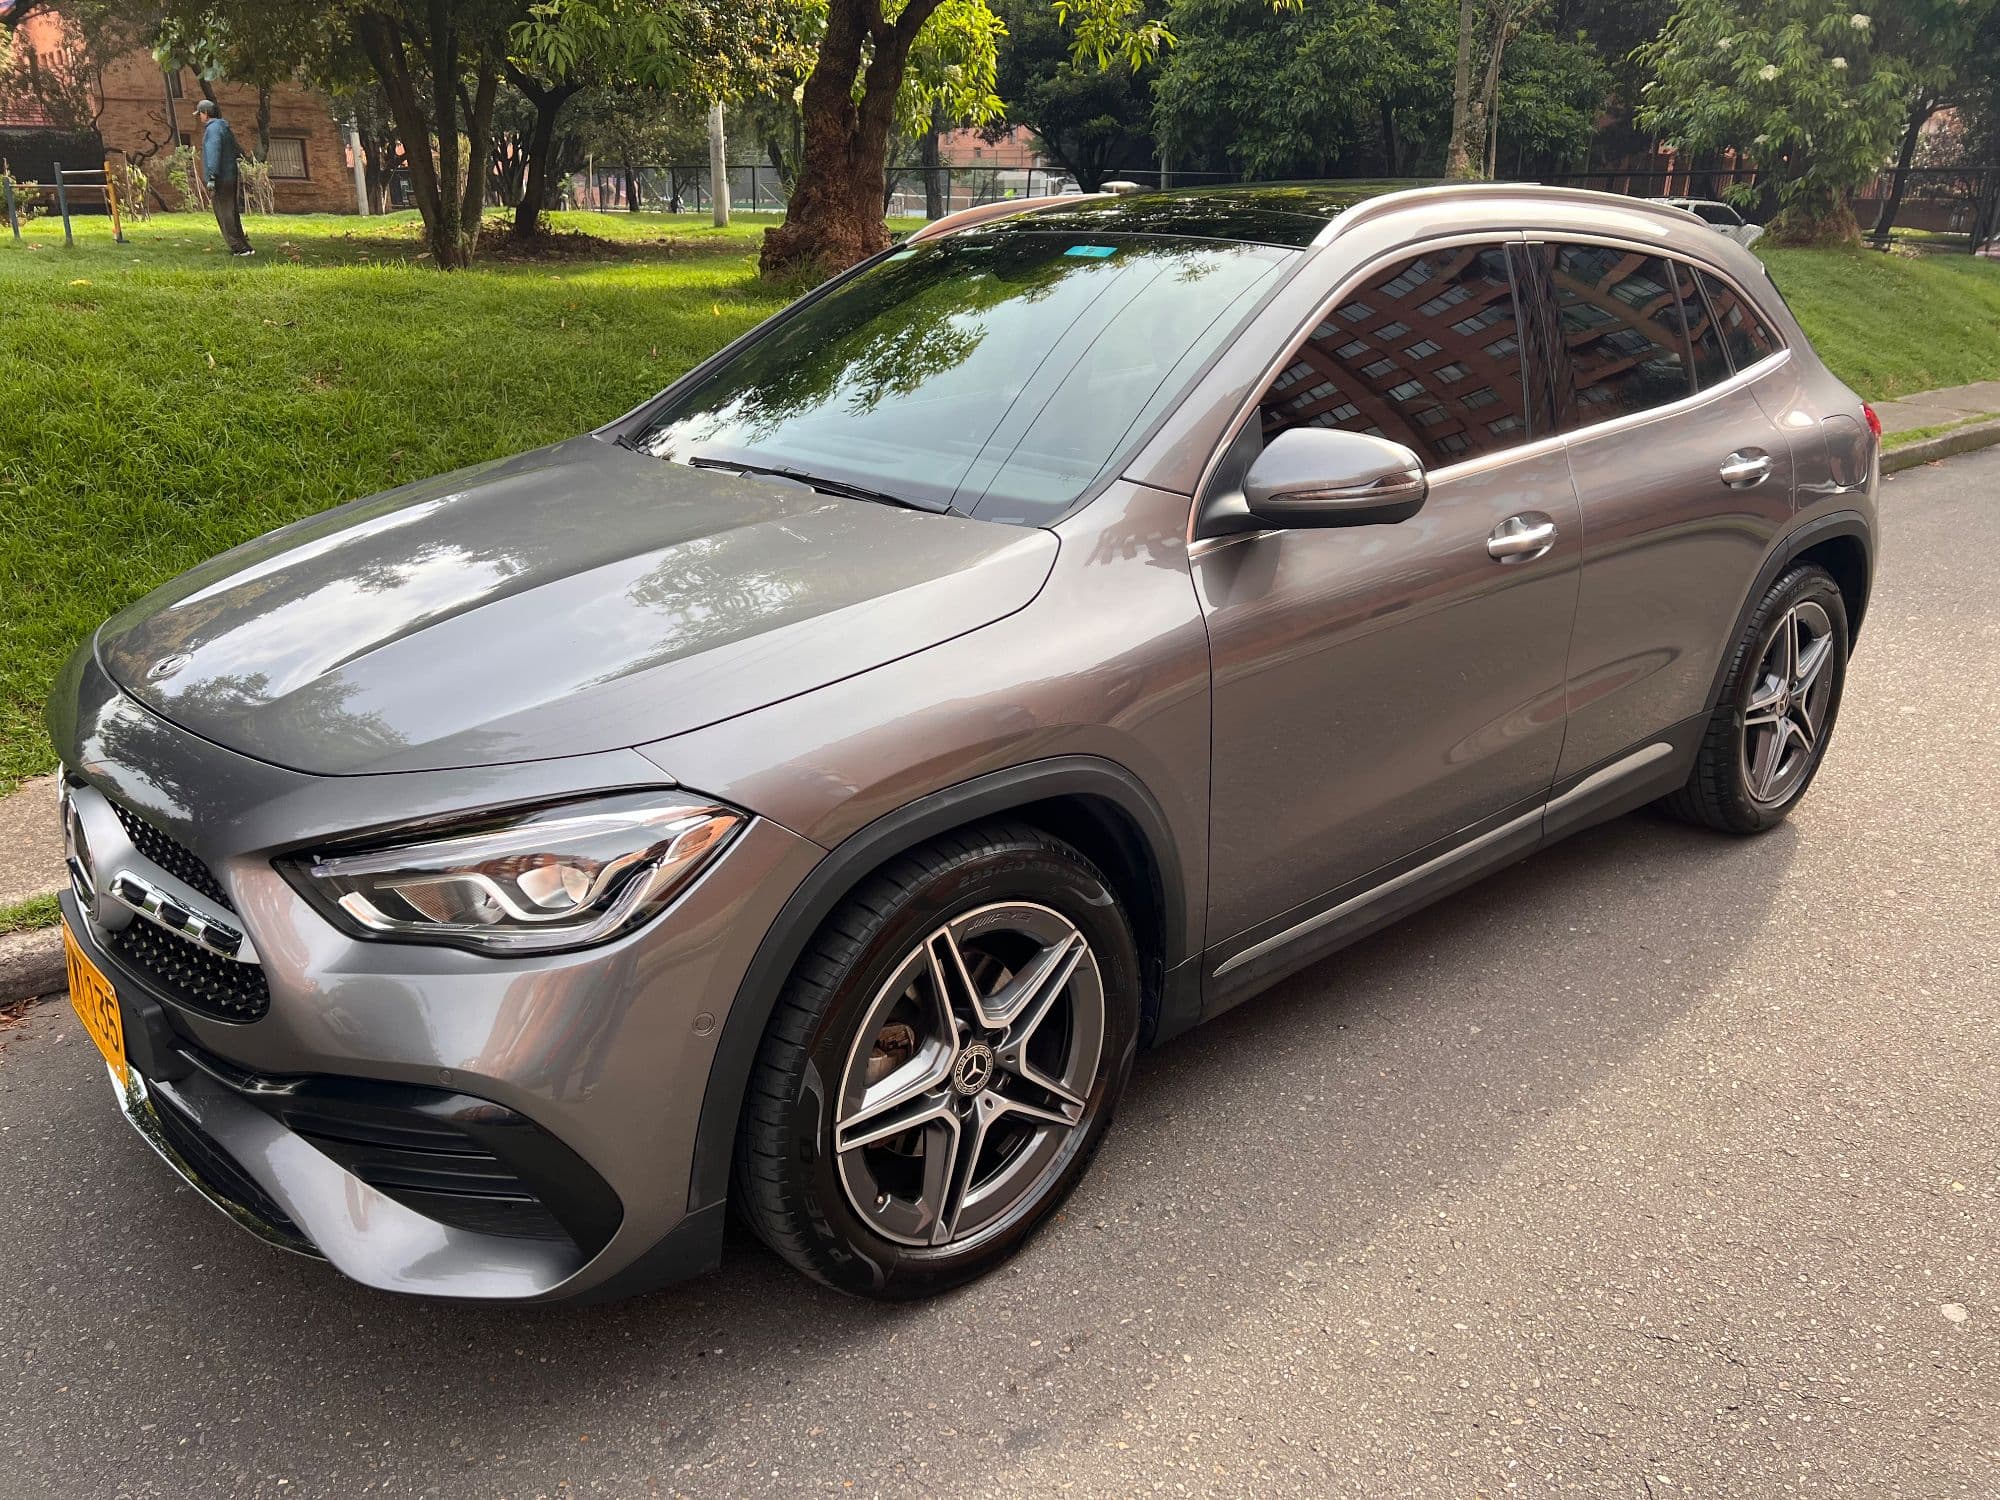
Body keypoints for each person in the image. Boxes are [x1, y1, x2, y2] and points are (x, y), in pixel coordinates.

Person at [195, 98, 253, 257]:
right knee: (232, 211)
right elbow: (237, 150)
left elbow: (213, 152)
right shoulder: (224, 127)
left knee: (223, 212)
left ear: (206, 113)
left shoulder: (212, 130)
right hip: (230, 175)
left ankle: (238, 247)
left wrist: (212, 177)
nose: (199, 117)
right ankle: (245, 246)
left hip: (220, 178)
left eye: (199, 114)